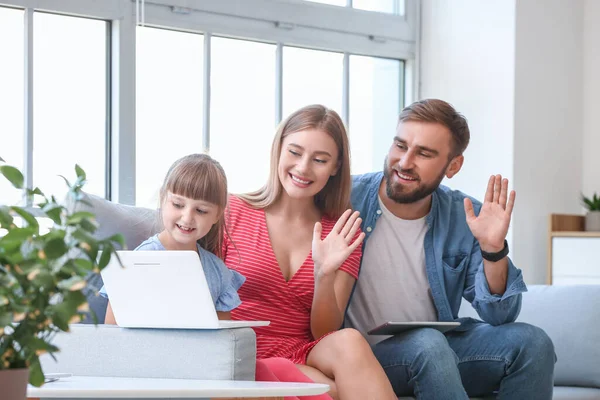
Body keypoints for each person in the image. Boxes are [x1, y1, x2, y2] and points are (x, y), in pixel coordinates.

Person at [345, 99, 556, 399]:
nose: (405, 162)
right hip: (363, 357)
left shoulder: (464, 216)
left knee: (533, 343)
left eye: (424, 153)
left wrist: (493, 249)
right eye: (400, 146)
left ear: (453, 166)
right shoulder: (346, 197)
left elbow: (500, 316)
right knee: (428, 344)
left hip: (436, 352)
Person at [101, 154, 330, 400]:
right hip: (155, 370)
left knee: (278, 369)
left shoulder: (217, 271)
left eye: (200, 210)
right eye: (178, 205)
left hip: (203, 368)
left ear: (218, 214)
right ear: (163, 200)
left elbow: (225, 341)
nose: (187, 218)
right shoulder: (140, 261)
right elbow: (111, 333)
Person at [222, 105, 398, 400]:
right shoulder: (231, 212)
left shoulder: (342, 231)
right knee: (332, 390)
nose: (303, 168)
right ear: (278, 149)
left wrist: (324, 274)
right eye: (294, 152)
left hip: (302, 351)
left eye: (319, 160)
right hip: (239, 349)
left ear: (335, 167)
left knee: (350, 341)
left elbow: (324, 332)